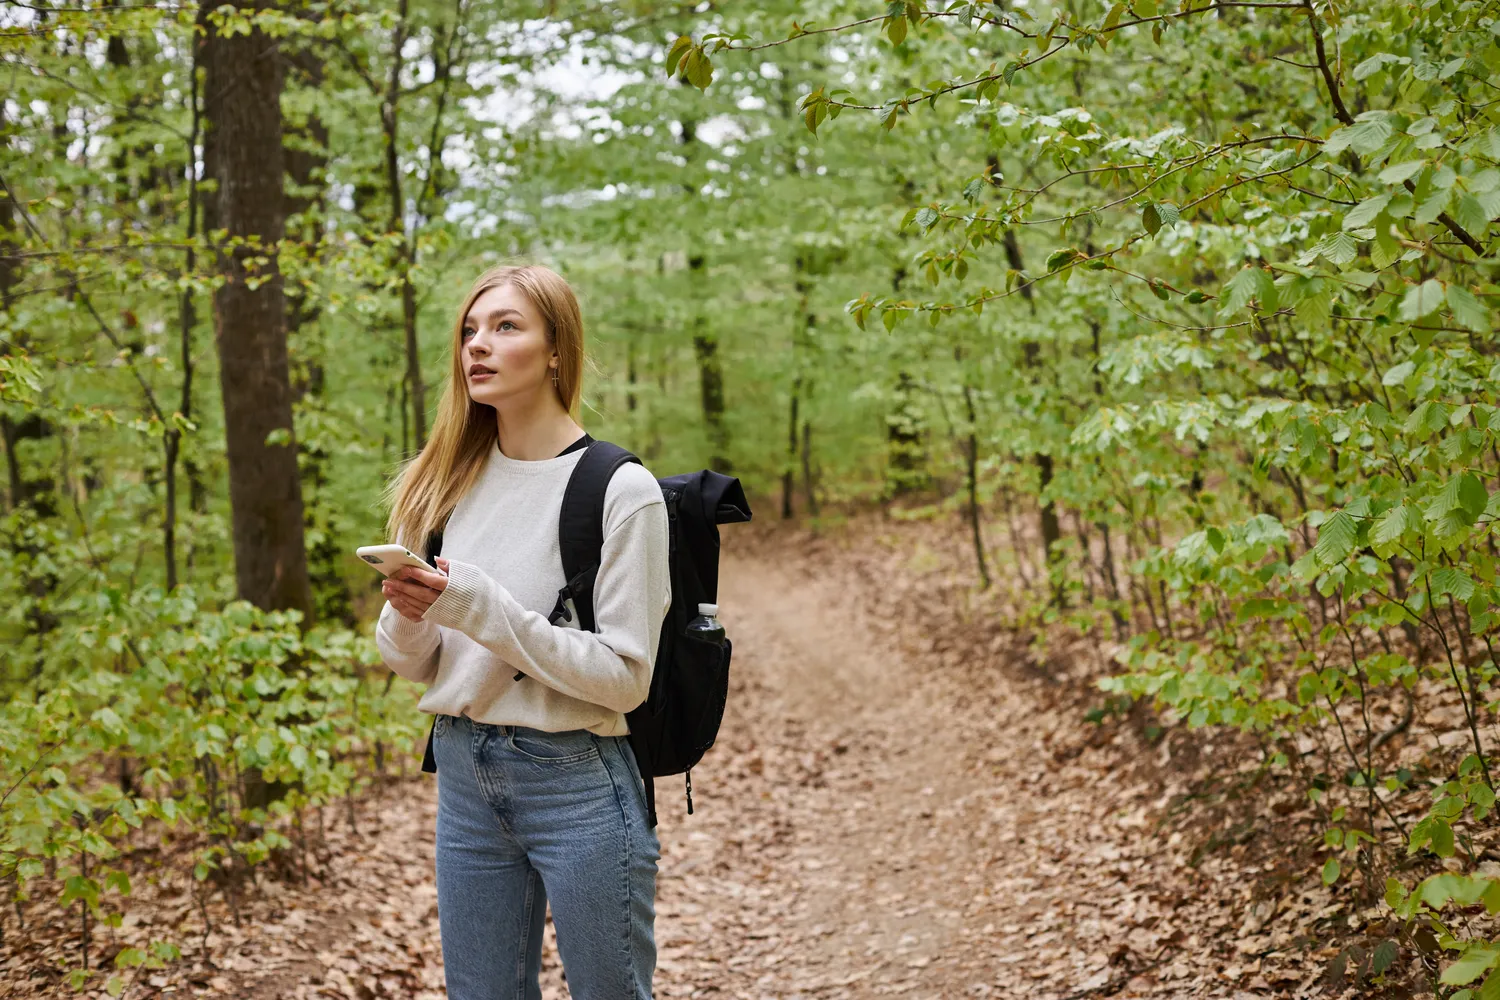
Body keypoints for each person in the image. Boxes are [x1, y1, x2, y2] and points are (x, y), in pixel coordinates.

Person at [374, 263, 670, 1000]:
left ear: (557, 351)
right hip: (463, 776)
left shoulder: (621, 490)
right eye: (470, 330)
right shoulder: (441, 482)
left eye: (506, 327)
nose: (478, 344)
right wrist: (410, 613)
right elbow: (412, 662)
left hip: (577, 782)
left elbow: (625, 679)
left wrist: (479, 606)